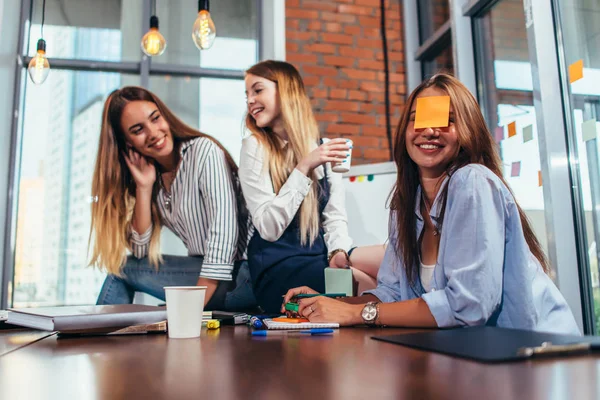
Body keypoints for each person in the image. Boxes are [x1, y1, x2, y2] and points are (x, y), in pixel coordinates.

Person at [283, 73, 580, 335]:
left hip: (538, 360)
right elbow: (392, 294)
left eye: (444, 119)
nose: (429, 131)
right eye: (418, 119)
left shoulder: (471, 182)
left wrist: (354, 313)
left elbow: (469, 306)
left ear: (467, 130)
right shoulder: (408, 202)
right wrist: (327, 304)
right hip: (477, 360)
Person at [89, 86, 255, 311]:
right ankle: (101, 338)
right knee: (124, 267)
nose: (154, 132)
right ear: (128, 144)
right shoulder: (154, 179)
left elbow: (224, 231)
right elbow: (140, 251)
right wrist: (144, 188)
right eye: (138, 130)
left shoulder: (203, 151)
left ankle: (94, 339)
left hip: (239, 276)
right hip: (212, 274)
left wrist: (193, 308)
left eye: (155, 118)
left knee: (122, 270)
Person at [240, 60, 383, 313]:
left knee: (387, 273)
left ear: (286, 91)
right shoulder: (254, 147)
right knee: (371, 288)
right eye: (247, 94)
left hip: (320, 259)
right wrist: (303, 167)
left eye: (257, 90)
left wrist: (338, 252)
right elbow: (268, 228)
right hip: (278, 268)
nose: (250, 100)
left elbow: (335, 219)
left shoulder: (323, 147)